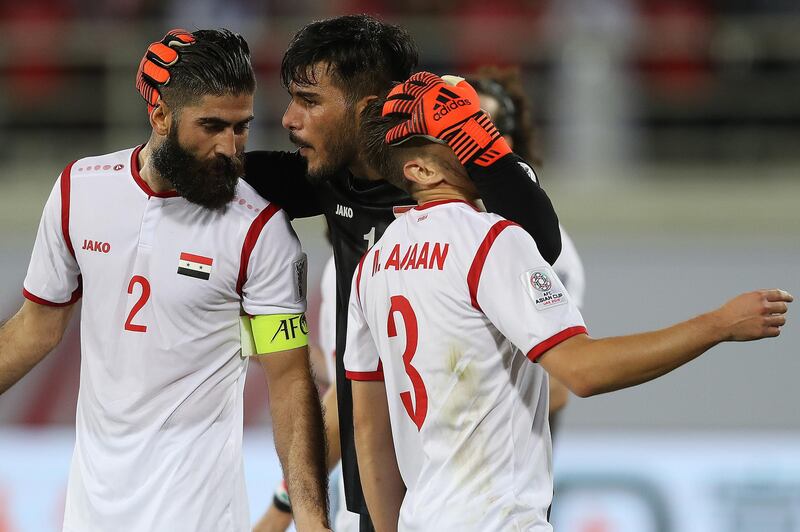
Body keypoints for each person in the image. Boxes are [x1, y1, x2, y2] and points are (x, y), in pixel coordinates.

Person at [139, 15, 564, 532]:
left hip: (481, 508)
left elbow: (541, 242)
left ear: (366, 111)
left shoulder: (463, 185)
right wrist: (172, 115)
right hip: (376, 499)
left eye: (310, 101)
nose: (290, 119)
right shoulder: (329, 181)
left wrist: (476, 142)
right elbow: (206, 168)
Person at [344, 73, 792, 531]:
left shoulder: (372, 265)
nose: (481, 145)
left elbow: (368, 428)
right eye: (461, 135)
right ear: (420, 170)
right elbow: (582, 371)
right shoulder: (493, 241)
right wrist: (719, 324)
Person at [0, 29, 329, 531]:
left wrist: (310, 517)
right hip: (91, 510)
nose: (230, 148)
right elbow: (35, 329)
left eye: (241, 128)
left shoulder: (259, 231)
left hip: (198, 512)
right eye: (212, 126)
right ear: (159, 115)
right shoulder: (78, 191)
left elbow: (288, 379)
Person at [468, 67, 586, 432]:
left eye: (474, 129)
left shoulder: (546, 246)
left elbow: (559, 385)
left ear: (507, 143)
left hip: (507, 461)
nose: (460, 143)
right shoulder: (414, 232)